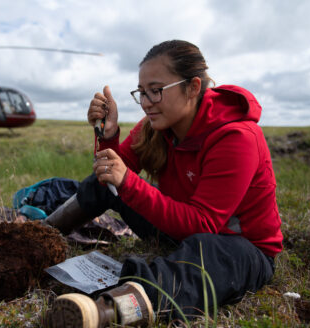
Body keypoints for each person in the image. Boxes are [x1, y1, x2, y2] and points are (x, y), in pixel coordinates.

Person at [44, 40, 283, 328]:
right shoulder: (157, 124)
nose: (146, 102)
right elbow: (115, 173)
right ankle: (42, 236)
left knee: (207, 249)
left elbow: (203, 224)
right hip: (181, 232)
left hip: (241, 250)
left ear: (193, 87)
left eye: (156, 91)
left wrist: (128, 182)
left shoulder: (236, 137)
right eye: (142, 93)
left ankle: (102, 312)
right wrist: (108, 137)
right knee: (105, 184)